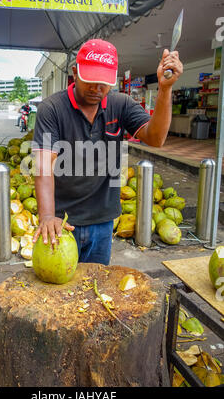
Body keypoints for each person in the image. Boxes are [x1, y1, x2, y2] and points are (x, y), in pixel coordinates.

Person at [32, 38, 183, 265]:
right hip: (62, 222)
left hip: (103, 221)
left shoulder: (121, 104)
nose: (96, 88)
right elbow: (44, 163)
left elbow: (155, 138)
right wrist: (46, 216)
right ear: (75, 72)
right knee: (60, 291)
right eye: (90, 80)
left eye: (103, 82)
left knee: (95, 288)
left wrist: (165, 89)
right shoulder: (51, 109)